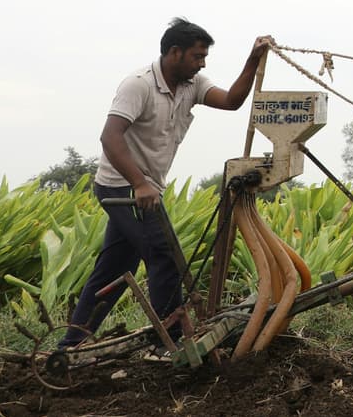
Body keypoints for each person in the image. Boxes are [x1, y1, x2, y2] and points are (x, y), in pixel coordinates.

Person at [58, 18, 274, 349]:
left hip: (145, 190)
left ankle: (70, 345)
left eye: (204, 57)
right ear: (175, 52)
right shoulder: (139, 85)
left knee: (115, 270)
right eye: (197, 56)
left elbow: (231, 101)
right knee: (163, 254)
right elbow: (110, 136)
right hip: (121, 188)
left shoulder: (192, 84)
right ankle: (171, 341)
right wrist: (140, 183)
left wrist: (252, 60)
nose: (202, 63)